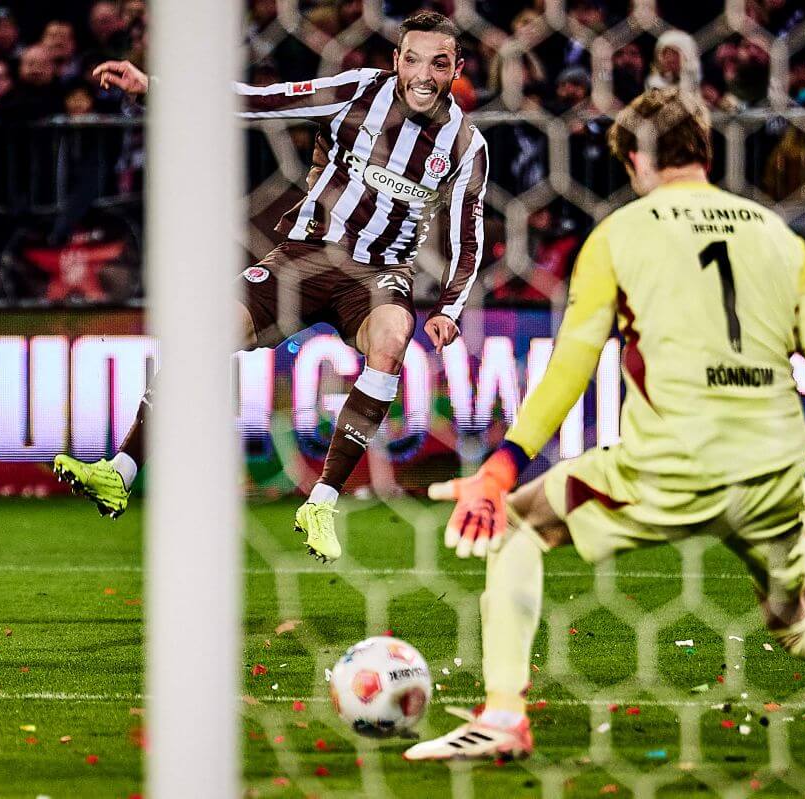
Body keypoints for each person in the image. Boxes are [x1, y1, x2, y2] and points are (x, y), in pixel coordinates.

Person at [405, 86, 805, 763]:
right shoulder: (777, 235)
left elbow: (570, 367)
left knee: (516, 522)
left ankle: (506, 716)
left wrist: (498, 468)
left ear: (634, 159)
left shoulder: (619, 235)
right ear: (706, 151)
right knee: (799, 620)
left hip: (672, 463)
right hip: (777, 468)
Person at [53, 11, 488, 564]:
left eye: (439, 63)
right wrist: (153, 87)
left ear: (457, 69)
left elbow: (467, 237)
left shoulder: (467, 144)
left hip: (378, 274)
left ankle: (323, 501)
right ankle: (121, 471)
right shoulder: (354, 91)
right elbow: (262, 100)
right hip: (303, 255)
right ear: (395, 59)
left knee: (392, 336)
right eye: (413, 59)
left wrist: (449, 307)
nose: (423, 74)